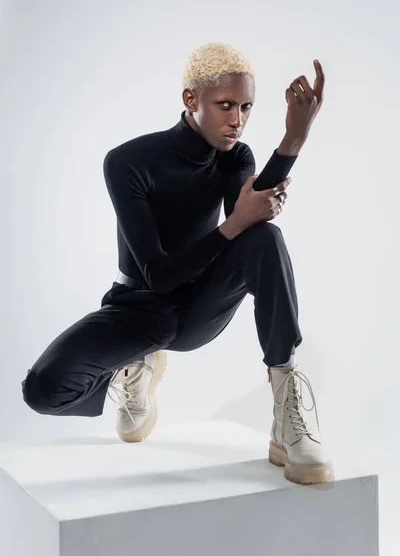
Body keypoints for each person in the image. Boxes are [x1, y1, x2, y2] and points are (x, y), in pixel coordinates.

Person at [21, 42, 333, 485]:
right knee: (42, 390)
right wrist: (233, 224)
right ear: (191, 100)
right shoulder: (128, 162)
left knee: (265, 236)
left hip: (200, 306)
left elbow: (250, 217)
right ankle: (135, 363)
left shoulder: (235, 158)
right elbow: (158, 274)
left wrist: (294, 138)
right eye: (225, 105)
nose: (237, 119)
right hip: (140, 305)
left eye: (246, 107)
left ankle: (286, 407)